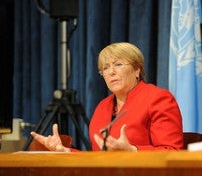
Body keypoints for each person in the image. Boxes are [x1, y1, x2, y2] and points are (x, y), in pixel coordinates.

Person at [31, 42, 184, 152]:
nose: (111, 72)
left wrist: (133, 150)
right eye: (105, 68)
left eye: (118, 64)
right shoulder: (103, 106)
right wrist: (65, 151)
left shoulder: (158, 98)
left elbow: (171, 151)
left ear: (137, 70)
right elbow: (97, 159)